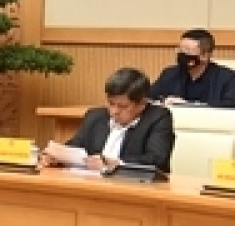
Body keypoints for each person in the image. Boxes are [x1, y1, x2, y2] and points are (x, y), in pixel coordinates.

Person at [42, 67, 174, 173]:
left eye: (122, 106)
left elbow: (157, 159)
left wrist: (116, 163)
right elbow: (75, 146)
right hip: (91, 184)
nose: (114, 111)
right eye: (111, 103)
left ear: (142, 104)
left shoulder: (158, 117)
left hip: (134, 188)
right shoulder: (95, 116)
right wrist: (57, 157)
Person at [149, 28, 235, 107]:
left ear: (205, 55)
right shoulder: (170, 74)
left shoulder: (228, 78)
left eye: (187, 50)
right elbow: (149, 97)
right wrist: (163, 101)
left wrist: (188, 105)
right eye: (180, 49)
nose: (181, 53)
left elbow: (230, 104)